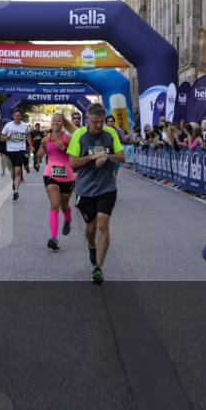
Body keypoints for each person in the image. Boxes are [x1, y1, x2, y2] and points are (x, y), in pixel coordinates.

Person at [67, 103, 125, 285]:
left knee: (102, 224)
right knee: (90, 229)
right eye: (95, 122)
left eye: (101, 122)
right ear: (88, 119)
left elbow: (122, 157)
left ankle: (98, 268)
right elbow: (72, 163)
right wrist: (90, 158)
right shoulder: (79, 135)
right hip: (85, 189)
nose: (99, 125)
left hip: (107, 187)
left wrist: (107, 157)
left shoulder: (111, 133)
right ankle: (91, 245)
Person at [36, 112, 77, 250]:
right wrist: (39, 154)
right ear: (51, 123)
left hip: (67, 176)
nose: (56, 123)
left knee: (64, 206)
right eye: (54, 121)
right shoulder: (45, 140)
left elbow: (75, 157)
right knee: (55, 205)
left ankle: (67, 219)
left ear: (63, 123)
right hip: (50, 175)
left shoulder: (69, 138)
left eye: (59, 121)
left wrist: (64, 148)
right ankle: (54, 238)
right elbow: (39, 154)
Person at [1, 108, 30, 201]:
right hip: (10, 150)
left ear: (21, 116)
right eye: (15, 115)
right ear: (13, 116)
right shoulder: (8, 125)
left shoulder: (25, 126)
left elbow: (28, 135)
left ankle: (16, 191)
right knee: (13, 172)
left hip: (20, 150)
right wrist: (6, 138)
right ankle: (14, 183)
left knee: (18, 171)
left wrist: (31, 145)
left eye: (18, 115)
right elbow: (1, 137)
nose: (17, 117)